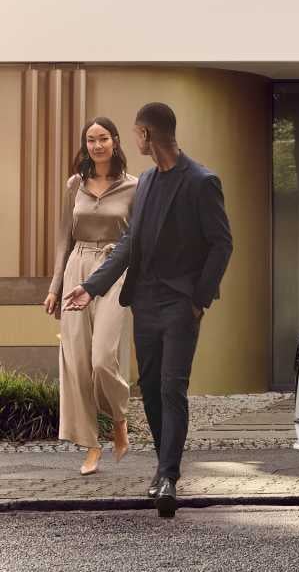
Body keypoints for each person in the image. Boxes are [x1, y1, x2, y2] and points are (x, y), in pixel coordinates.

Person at [65, 102, 232, 518]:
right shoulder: (149, 183)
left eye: (136, 133)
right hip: (145, 302)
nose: (135, 138)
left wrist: (198, 300)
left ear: (145, 135)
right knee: (153, 388)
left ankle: (168, 476)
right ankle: (164, 466)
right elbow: (130, 243)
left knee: (173, 387)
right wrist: (91, 287)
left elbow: (221, 243)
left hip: (180, 304)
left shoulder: (201, 181)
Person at [45, 118, 139, 476]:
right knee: (77, 363)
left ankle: (118, 420)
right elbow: (62, 239)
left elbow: (137, 239)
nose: (97, 145)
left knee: (102, 358)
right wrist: (55, 287)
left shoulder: (135, 186)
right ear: (85, 146)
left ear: (114, 142)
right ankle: (92, 445)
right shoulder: (75, 185)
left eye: (103, 138)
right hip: (76, 269)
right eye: (90, 140)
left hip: (116, 271)